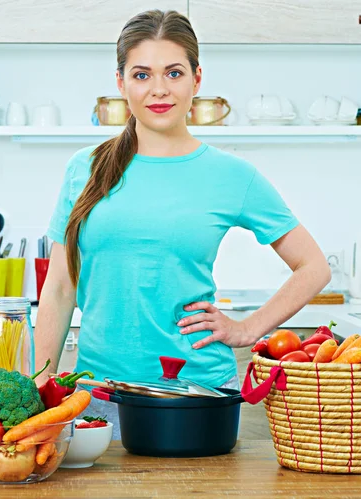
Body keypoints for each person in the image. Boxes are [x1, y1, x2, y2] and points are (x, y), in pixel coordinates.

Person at [34, 9, 331, 439]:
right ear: (120, 83)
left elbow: (314, 267)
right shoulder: (86, 168)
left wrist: (247, 329)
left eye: (173, 73)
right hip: (96, 398)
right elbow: (60, 288)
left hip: (196, 395)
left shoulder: (231, 175)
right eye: (141, 75)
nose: (158, 89)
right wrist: (42, 380)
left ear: (197, 79)